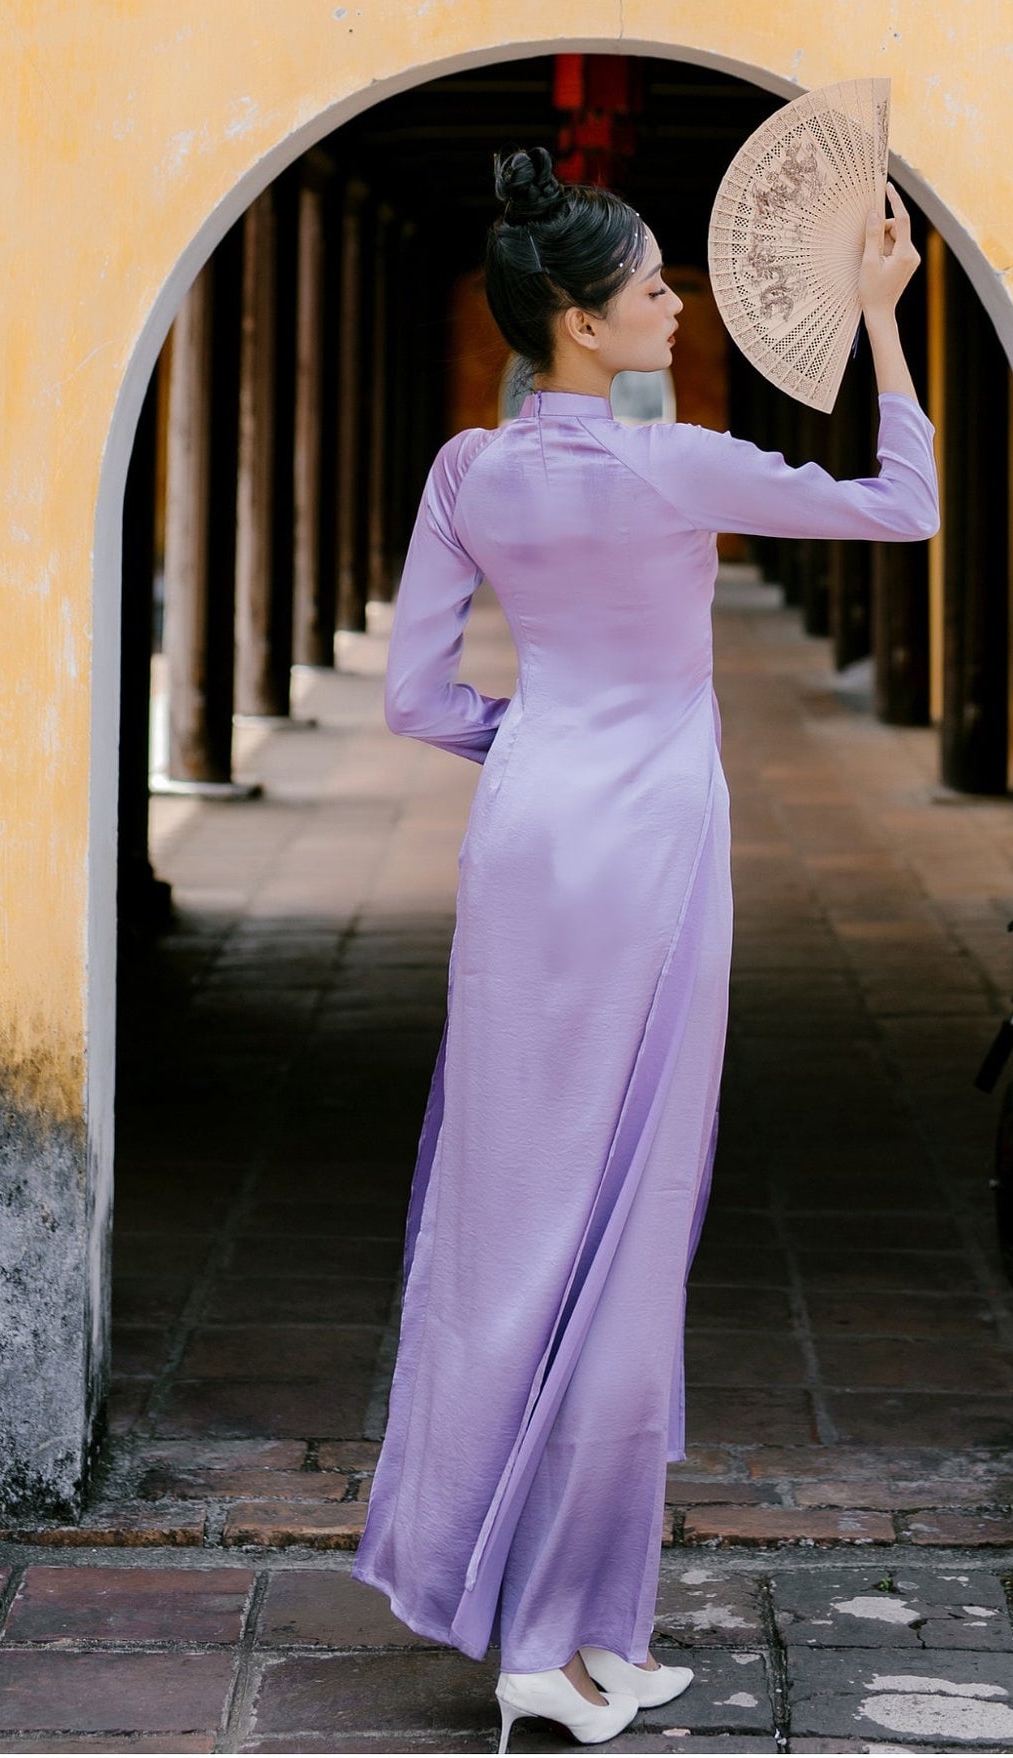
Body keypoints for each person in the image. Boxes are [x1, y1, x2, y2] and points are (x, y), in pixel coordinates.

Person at [355, 146, 940, 1750]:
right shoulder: (673, 462)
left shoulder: (472, 469)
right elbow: (902, 502)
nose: (677, 302)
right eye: (650, 289)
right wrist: (883, 322)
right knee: (626, 1219)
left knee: (510, 1206)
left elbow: (416, 700)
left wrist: (531, 738)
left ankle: (561, 1615)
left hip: (525, 836)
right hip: (651, 855)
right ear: (580, 322)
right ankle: (554, 1630)